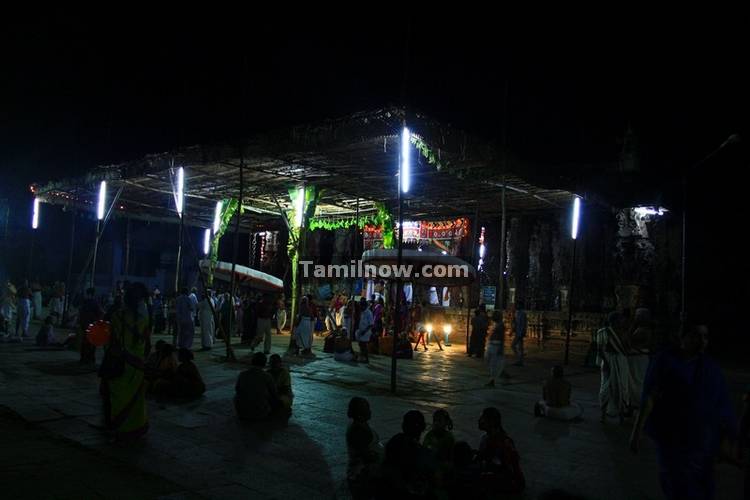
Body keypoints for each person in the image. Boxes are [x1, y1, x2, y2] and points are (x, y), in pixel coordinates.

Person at [630, 324, 737, 500]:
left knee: (702, 486)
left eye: (705, 337)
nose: (702, 341)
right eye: (696, 336)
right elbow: (650, 396)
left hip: (702, 440)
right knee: (677, 483)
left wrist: (725, 441)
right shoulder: (665, 361)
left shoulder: (711, 368)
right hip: (673, 436)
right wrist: (636, 433)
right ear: (683, 338)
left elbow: (722, 405)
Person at [101, 282, 150, 442]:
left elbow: (109, 340)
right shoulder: (144, 319)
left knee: (117, 397)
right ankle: (135, 428)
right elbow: (145, 342)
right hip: (136, 365)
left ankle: (116, 428)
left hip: (120, 362)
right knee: (136, 400)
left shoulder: (117, 316)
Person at [381, 410, 437, 498]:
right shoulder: (422, 452)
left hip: (391, 490)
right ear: (423, 428)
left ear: (403, 426)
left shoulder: (394, 441)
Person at [476, 407, 525, 494]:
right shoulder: (485, 438)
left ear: (491, 422)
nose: (479, 421)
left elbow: (510, 469)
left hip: (507, 481)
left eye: (482, 418)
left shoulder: (504, 443)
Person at [595, 311, 630, 423]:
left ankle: (621, 416)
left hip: (621, 362)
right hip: (608, 361)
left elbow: (626, 348)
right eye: (620, 320)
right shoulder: (603, 332)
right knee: (606, 388)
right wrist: (606, 363)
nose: (622, 322)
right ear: (614, 321)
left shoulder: (624, 333)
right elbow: (600, 350)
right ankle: (603, 415)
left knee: (622, 388)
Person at [346, 397, 382, 500]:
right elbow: (366, 454)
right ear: (360, 413)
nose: (370, 411)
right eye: (367, 408)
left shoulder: (359, 426)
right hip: (362, 475)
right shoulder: (358, 431)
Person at [234, 352, 281, 421]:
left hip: (241, 412)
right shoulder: (267, 376)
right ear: (264, 363)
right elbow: (274, 394)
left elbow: (237, 389)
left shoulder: (242, 374)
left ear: (252, 362)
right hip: (260, 413)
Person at [78, 287, 103, 364]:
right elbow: (99, 313)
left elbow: (81, 313)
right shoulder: (94, 303)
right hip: (91, 325)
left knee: (85, 341)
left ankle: (84, 358)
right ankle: (89, 358)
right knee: (91, 342)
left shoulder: (85, 302)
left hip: (85, 324)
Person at [485, 311, 505, 387]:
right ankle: (495, 376)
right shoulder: (495, 324)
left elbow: (502, 337)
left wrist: (501, 347)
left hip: (496, 345)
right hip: (491, 344)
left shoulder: (500, 325)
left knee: (493, 363)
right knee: (489, 361)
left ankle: (492, 380)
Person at [355, 298, 374, 363]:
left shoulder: (369, 313)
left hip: (366, 332)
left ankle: (366, 358)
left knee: (363, 345)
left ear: (364, 306)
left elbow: (371, 324)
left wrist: (364, 331)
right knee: (361, 345)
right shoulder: (361, 312)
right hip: (361, 330)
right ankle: (363, 358)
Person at [511, 302, 527, 366]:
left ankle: (519, 359)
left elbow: (523, 324)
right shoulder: (518, 313)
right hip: (519, 332)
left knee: (513, 345)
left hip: (519, 332)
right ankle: (520, 360)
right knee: (520, 347)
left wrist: (522, 332)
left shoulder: (522, 313)